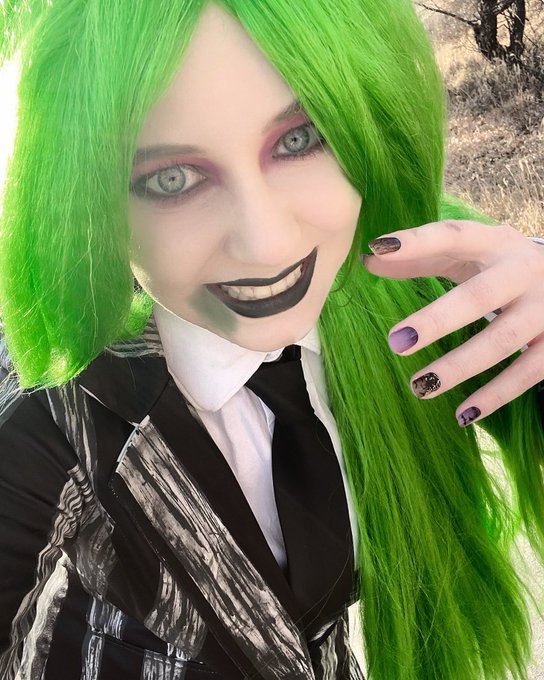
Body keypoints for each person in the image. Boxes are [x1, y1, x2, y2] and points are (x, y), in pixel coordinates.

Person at [0, 1, 543, 679]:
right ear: (88, 205)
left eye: (300, 139)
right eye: (172, 179)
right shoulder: (47, 431)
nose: (266, 244)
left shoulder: (417, 297)